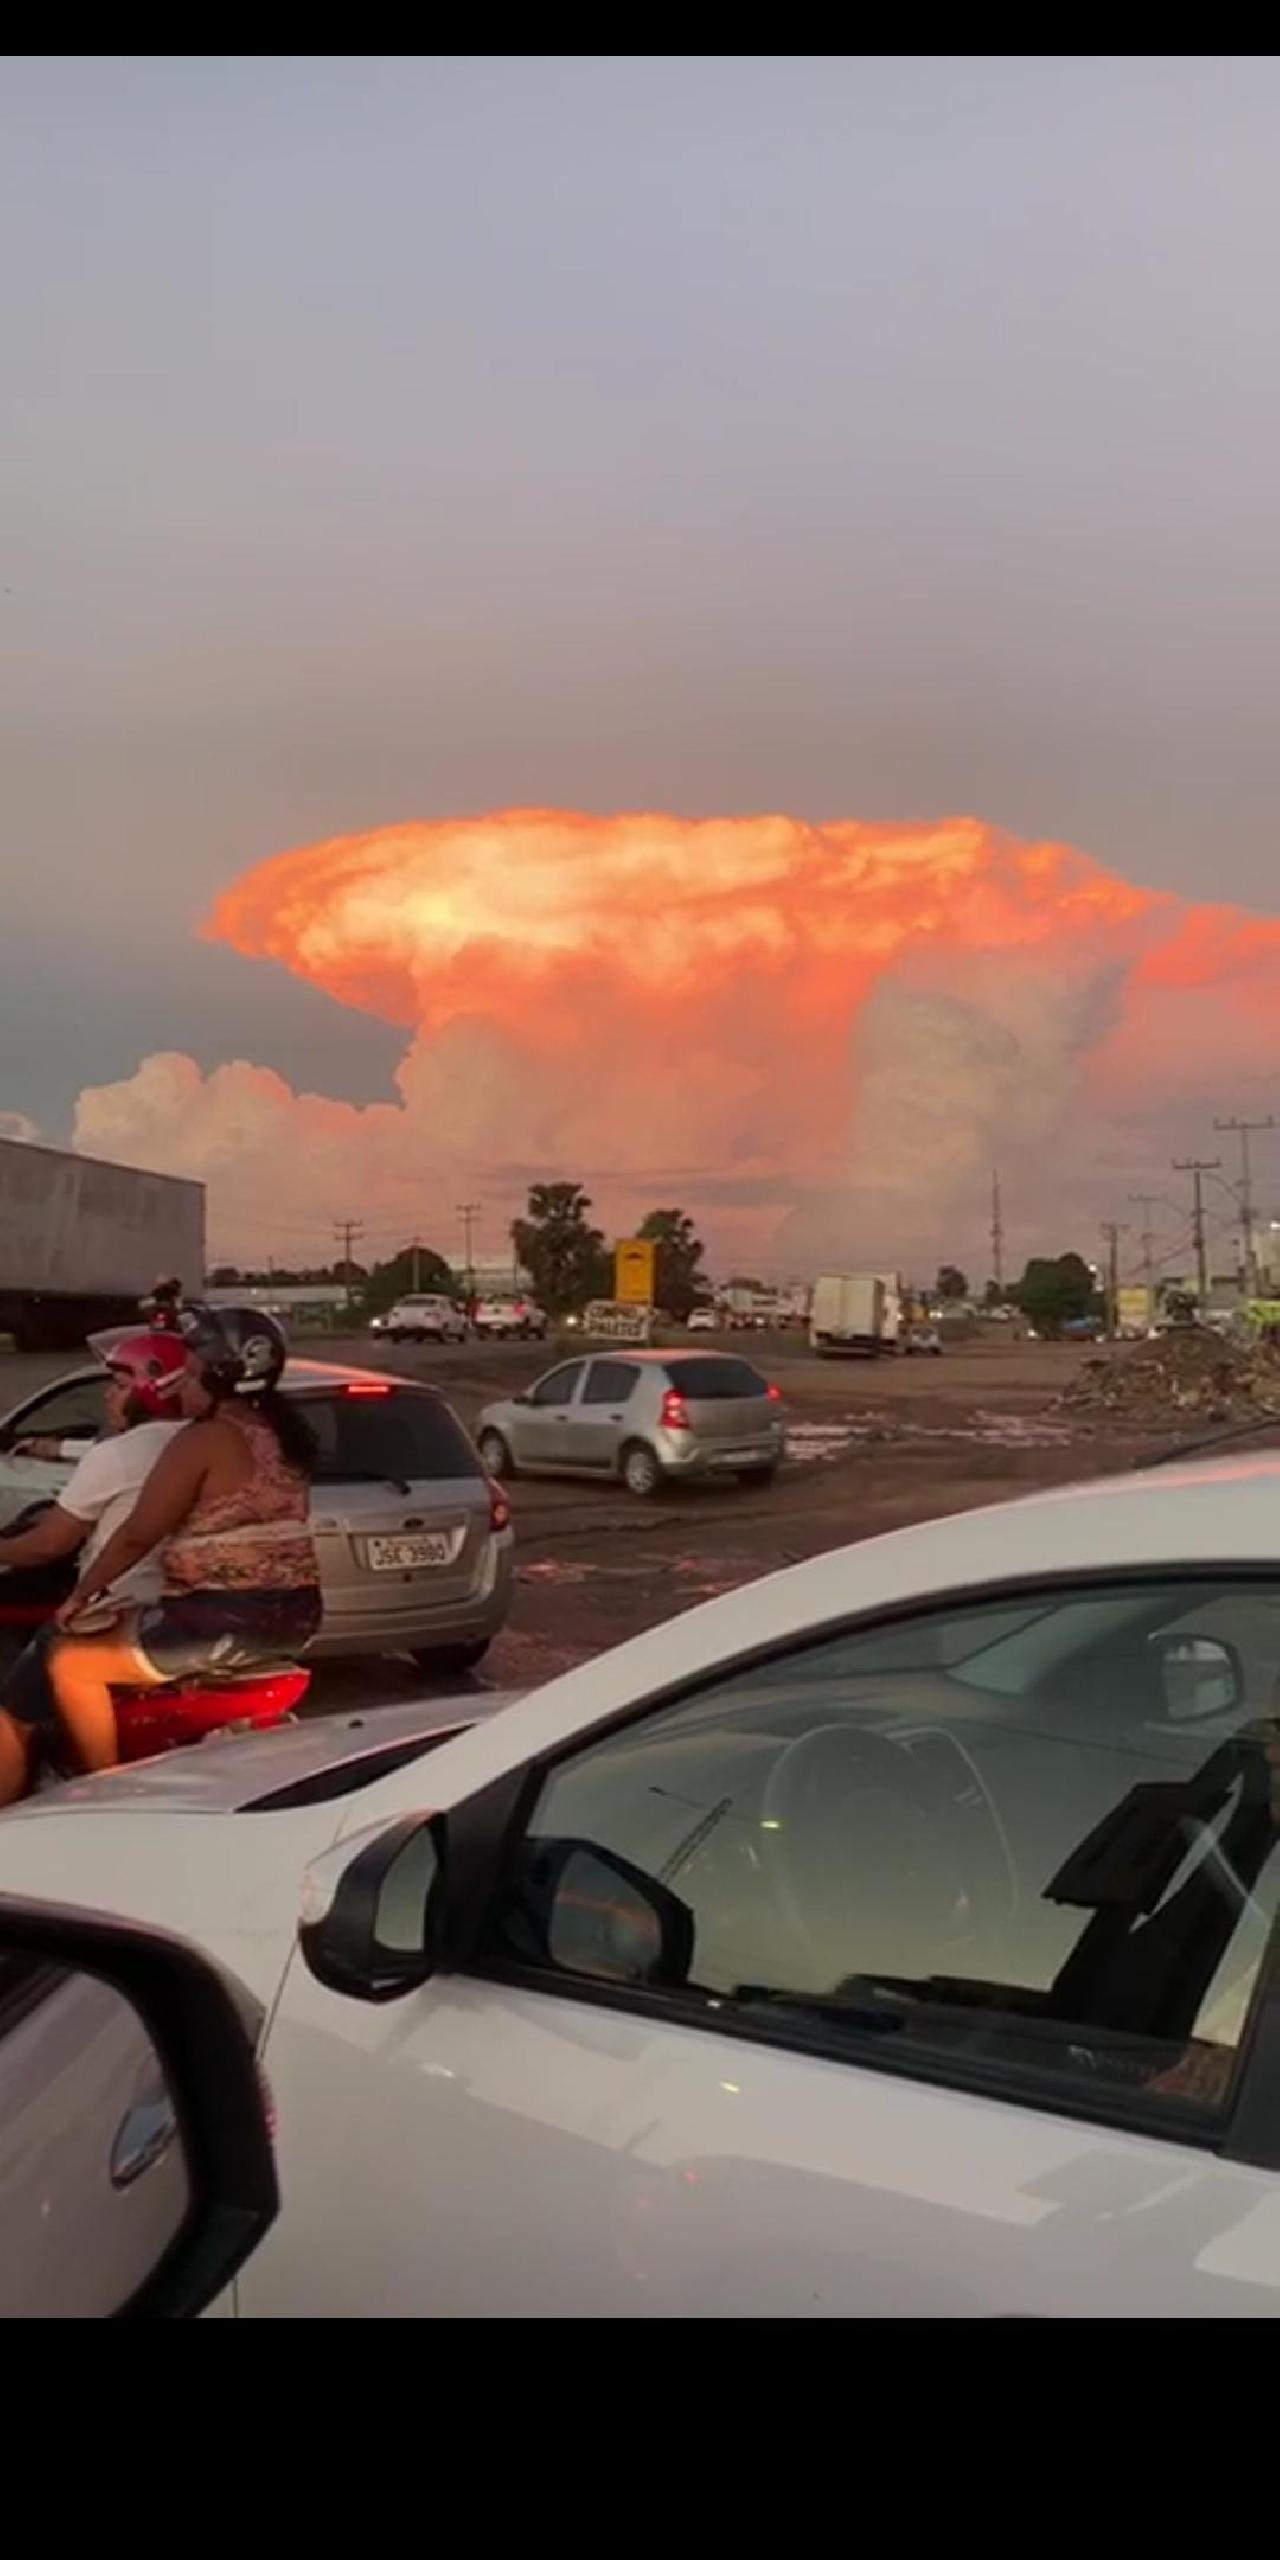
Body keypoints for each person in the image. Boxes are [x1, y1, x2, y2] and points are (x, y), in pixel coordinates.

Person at [31, 1304, 320, 1787]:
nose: (179, 1386)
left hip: (222, 1617)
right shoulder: (284, 1437)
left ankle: (107, 1792)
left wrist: (80, 1597)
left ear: (219, 1376)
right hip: (298, 1617)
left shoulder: (204, 1440)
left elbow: (139, 1534)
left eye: (189, 1374)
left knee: (71, 1663)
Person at [0, 1327, 190, 1804]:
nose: (109, 1395)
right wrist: (54, 1449)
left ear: (152, 1386)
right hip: (177, 1605)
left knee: (10, 1713)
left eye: (120, 1384)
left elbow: (48, 1544)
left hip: (117, 1604)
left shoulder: (119, 1454)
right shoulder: (198, 1441)